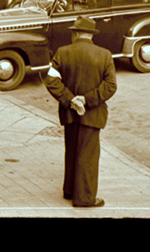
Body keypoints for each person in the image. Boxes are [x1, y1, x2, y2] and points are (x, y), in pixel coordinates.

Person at [43, 17, 117, 209]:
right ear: (91, 35)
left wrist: (71, 100)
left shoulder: (63, 52)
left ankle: (69, 190)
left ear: (75, 33)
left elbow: (51, 80)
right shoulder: (104, 55)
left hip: (69, 113)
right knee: (88, 157)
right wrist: (87, 99)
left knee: (72, 151)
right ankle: (84, 198)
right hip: (92, 115)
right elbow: (110, 86)